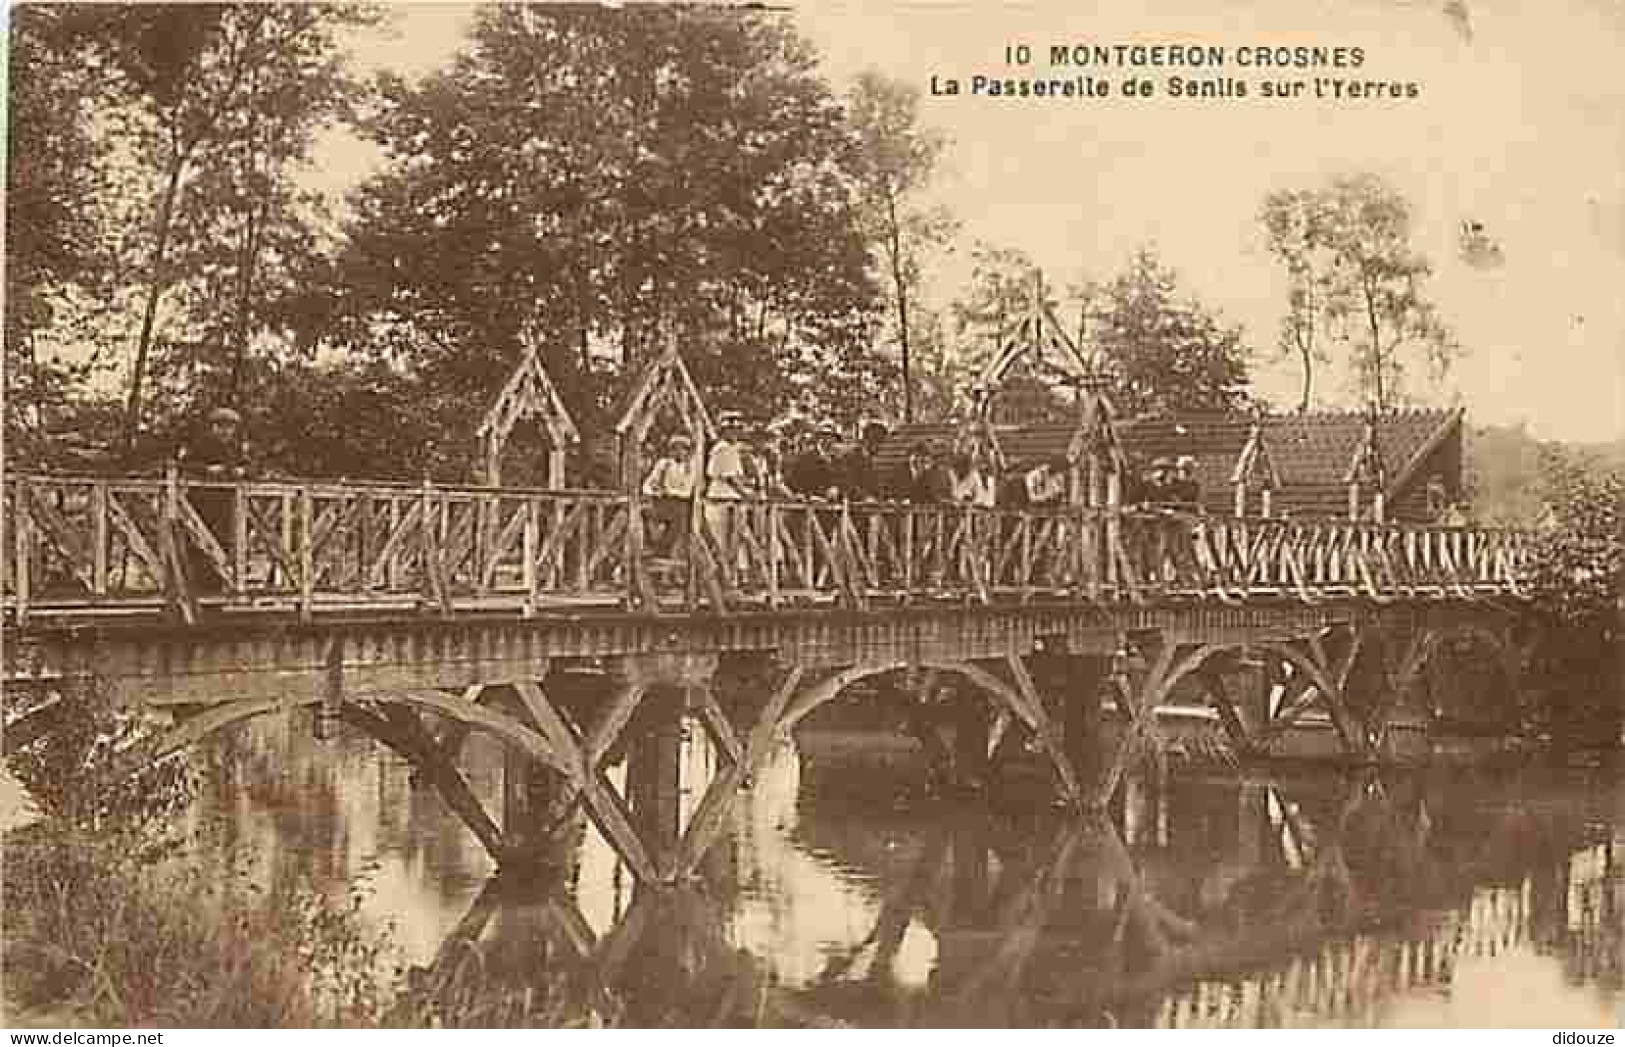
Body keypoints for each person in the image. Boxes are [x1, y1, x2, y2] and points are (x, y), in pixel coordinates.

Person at [176, 405, 249, 593]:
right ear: (213, 427)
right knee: (199, 545)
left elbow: (250, 466)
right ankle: (199, 590)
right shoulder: (202, 444)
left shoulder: (235, 447)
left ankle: (217, 590)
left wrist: (243, 471)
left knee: (223, 544)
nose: (226, 431)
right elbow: (185, 464)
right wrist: (206, 470)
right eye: (221, 427)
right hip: (201, 504)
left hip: (226, 505)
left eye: (230, 427)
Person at [641, 432, 697, 556]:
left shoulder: (690, 467)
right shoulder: (664, 464)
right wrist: (653, 491)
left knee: (678, 523)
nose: (679, 452)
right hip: (663, 501)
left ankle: (663, 549)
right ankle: (650, 545)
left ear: (687, 452)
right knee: (644, 513)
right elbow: (648, 483)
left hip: (680, 503)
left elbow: (687, 489)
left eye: (683, 449)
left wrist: (669, 491)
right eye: (675, 448)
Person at [705, 411, 751, 556]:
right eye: (731, 430)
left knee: (733, 543)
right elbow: (731, 479)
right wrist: (747, 495)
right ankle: (723, 573)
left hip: (729, 500)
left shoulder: (731, 449)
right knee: (723, 543)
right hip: (723, 500)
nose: (735, 434)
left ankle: (731, 573)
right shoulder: (724, 449)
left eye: (737, 430)